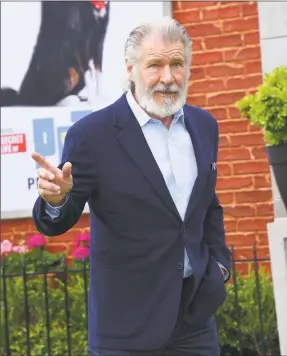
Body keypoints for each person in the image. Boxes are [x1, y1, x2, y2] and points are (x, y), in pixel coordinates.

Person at [32, 17, 231, 356]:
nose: (168, 78)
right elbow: (58, 220)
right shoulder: (92, 135)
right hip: (125, 328)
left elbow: (207, 205)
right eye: (155, 65)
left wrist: (220, 266)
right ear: (131, 69)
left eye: (177, 64)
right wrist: (56, 198)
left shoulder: (204, 126)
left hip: (194, 320)